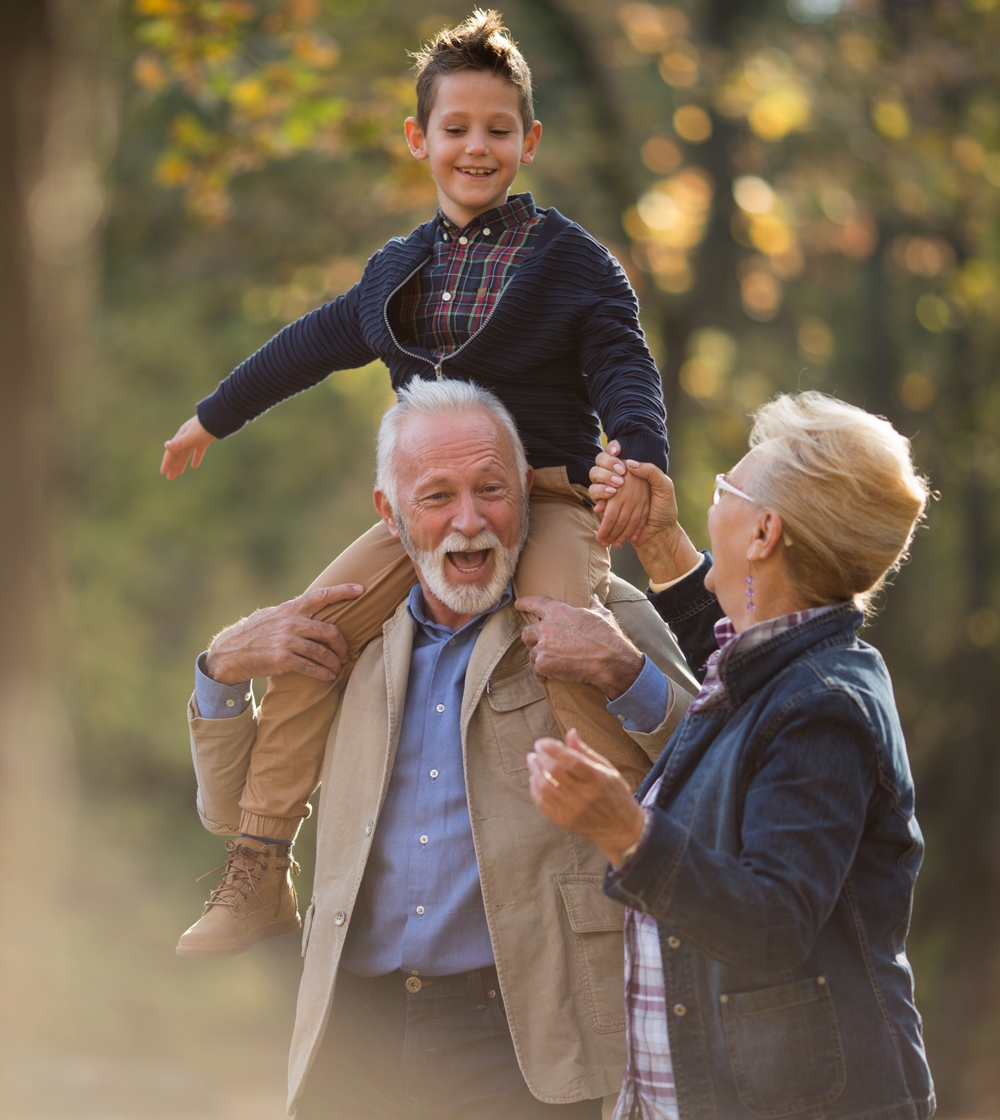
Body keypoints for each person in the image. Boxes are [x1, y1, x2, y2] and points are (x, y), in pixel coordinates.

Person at [164, 10, 671, 955]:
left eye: (498, 129)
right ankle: (261, 861)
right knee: (315, 625)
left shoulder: (573, 263)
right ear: (420, 139)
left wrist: (639, 454)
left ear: (529, 140)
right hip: (428, 513)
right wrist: (213, 415)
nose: (476, 147)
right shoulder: (399, 271)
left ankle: (634, 850)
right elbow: (308, 344)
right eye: (456, 129)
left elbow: (623, 366)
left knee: (562, 629)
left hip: (549, 495)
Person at [185, 379, 698, 1118]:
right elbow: (225, 811)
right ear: (389, 516)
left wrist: (628, 672)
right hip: (352, 1029)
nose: (470, 520)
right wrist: (220, 673)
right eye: (437, 497)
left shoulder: (598, 613)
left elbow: (717, 772)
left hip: (529, 1034)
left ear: (525, 492)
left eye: (491, 489)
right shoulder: (349, 638)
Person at [522, 393, 936, 1120]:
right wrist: (660, 542)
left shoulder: (823, 708)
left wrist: (626, 832)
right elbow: (727, 654)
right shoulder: (775, 667)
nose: (711, 499)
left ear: (765, 531)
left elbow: (771, 923)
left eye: (725, 489)